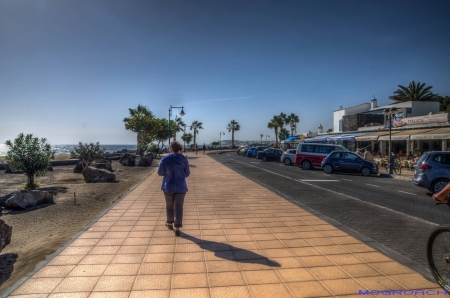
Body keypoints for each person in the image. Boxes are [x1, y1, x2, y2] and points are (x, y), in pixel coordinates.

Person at [157, 141, 190, 236]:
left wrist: (166, 174)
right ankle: (178, 228)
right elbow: (187, 173)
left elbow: (160, 173)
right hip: (181, 187)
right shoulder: (184, 159)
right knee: (179, 208)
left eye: (169, 147)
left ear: (171, 148)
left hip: (168, 186)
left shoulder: (165, 159)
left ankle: (170, 223)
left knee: (169, 206)